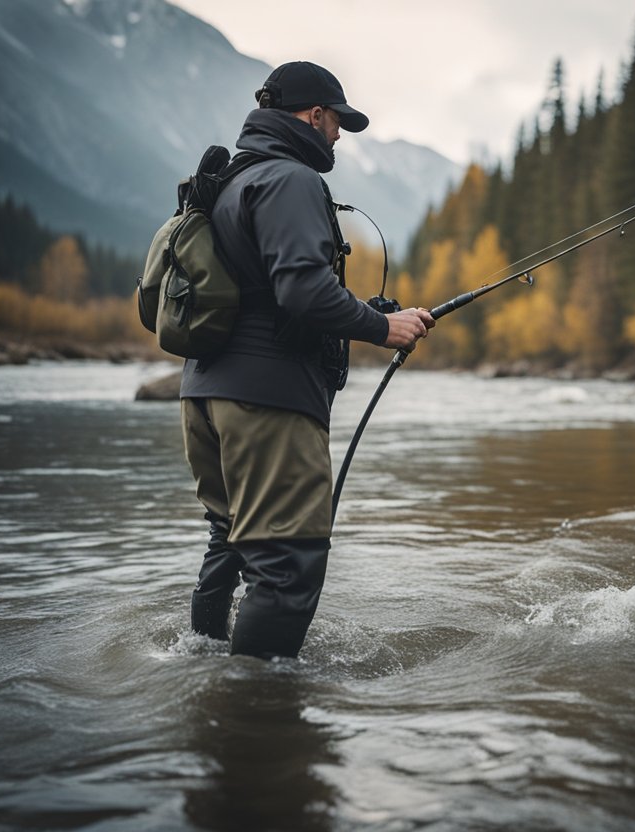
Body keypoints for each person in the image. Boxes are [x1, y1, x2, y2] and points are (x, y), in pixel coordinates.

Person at [179, 61, 435, 659]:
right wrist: (383, 326)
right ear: (313, 115)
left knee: (231, 541)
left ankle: (201, 677)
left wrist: (362, 312)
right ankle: (257, 722)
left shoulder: (232, 179)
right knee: (288, 565)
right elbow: (302, 291)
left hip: (204, 394)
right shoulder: (290, 180)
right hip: (265, 401)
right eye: (337, 121)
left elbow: (270, 293)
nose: (340, 135)